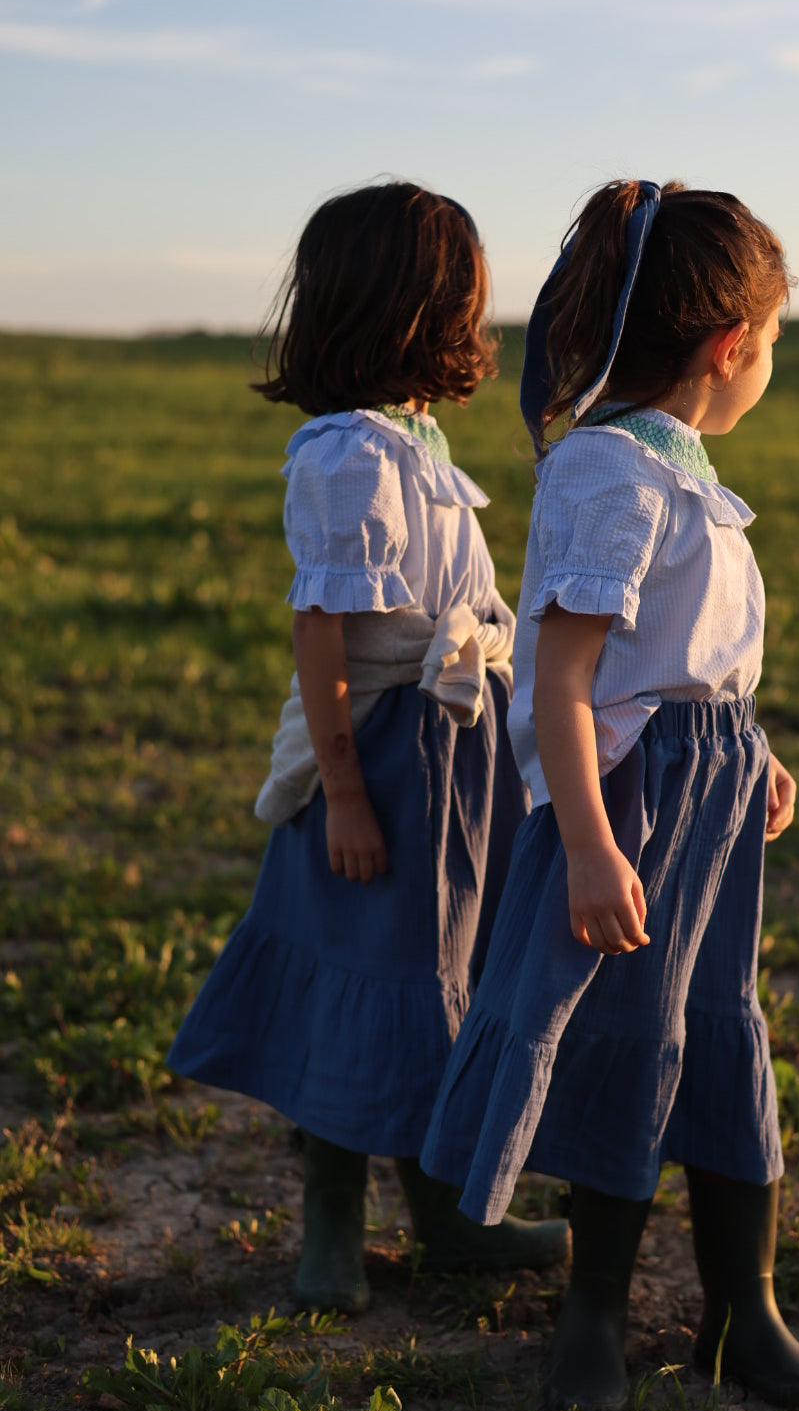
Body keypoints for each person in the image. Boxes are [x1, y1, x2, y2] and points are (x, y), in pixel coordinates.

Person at [421, 179, 799, 1411]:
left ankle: (743, 1311)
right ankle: (593, 1317)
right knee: (626, 1038)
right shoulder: (611, 474)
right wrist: (592, 846)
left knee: (716, 1030)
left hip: (709, 792)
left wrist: (751, 750)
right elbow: (564, 679)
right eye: (774, 340)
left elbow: (686, 657)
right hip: (632, 811)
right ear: (730, 344)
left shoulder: (678, 468)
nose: (771, 361)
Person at [168, 182, 568, 1312]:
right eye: (467, 303)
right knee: (367, 978)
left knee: (439, 978)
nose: (481, 325)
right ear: (411, 311)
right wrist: (343, 792)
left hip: (453, 754)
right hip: (388, 754)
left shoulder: (414, 441)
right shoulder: (349, 455)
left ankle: (444, 1218)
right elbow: (323, 632)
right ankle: (331, 1225)